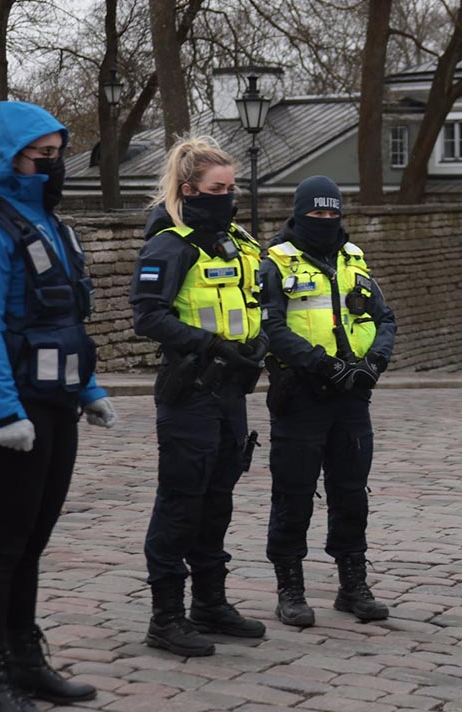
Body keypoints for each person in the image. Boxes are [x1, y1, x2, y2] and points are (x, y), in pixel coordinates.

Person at [0, 101, 115, 712]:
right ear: (8, 157)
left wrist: (90, 392)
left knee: (31, 544)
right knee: (0, 547)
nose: (54, 165)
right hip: (8, 409)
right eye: (41, 155)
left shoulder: (54, 224)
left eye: (57, 153)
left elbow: (66, 319)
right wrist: (4, 412)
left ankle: (26, 660)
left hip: (56, 403)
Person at [129, 136, 267, 657]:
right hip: (190, 389)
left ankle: (210, 603)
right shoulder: (170, 243)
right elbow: (148, 316)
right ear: (189, 190)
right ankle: (166, 616)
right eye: (218, 188)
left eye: (233, 187)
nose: (228, 196)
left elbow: (256, 297)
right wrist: (210, 345)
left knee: (218, 499)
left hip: (232, 390)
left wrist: (258, 339)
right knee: (181, 501)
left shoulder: (234, 240)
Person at [260, 175, 397, 628]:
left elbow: (384, 318)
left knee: (351, 494)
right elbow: (272, 329)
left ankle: (352, 585)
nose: (324, 220)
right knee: (294, 494)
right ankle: (290, 589)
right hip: (301, 394)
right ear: (299, 214)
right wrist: (321, 364)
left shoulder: (354, 258)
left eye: (331, 213)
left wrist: (372, 364)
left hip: (351, 397)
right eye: (316, 213)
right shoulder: (276, 262)